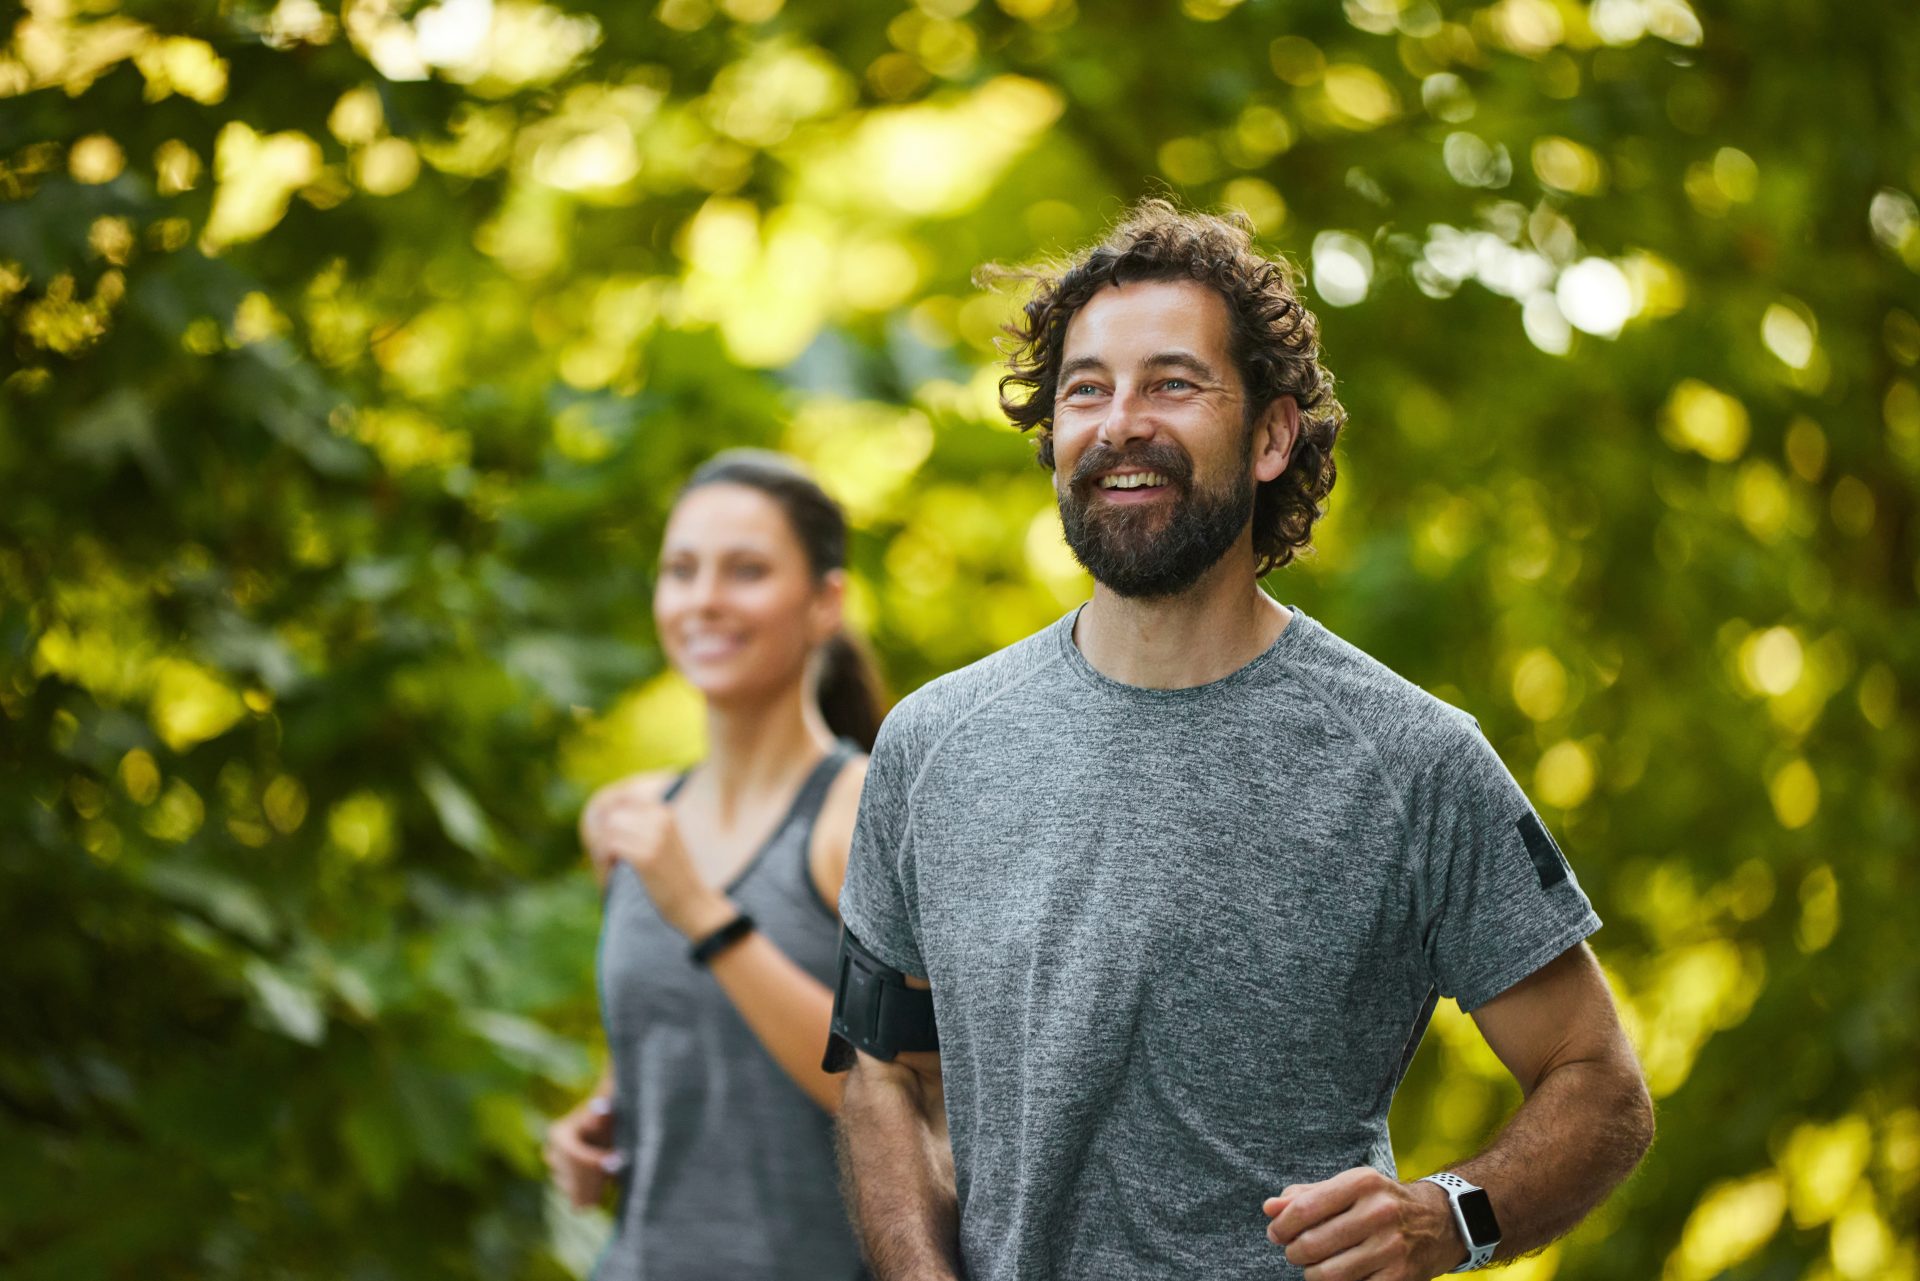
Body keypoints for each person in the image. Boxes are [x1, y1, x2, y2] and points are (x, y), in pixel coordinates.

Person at [827, 201, 1655, 1281]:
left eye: (1172, 383)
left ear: (1271, 436)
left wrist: (1447, 1216)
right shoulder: (933, 744)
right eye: (1086, 390)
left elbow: (1599, 1081)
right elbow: (879, 1067)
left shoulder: (1411, 761)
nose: (1120, 422)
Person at [546, 450, 880, 1280]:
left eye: (747, 570)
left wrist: (705, 914)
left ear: (824, 603)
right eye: (681, 570)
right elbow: (671, 1038)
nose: (704, 599)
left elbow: (900, 1096)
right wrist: (600, 1118)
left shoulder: (863, 815)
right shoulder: (627, 821)